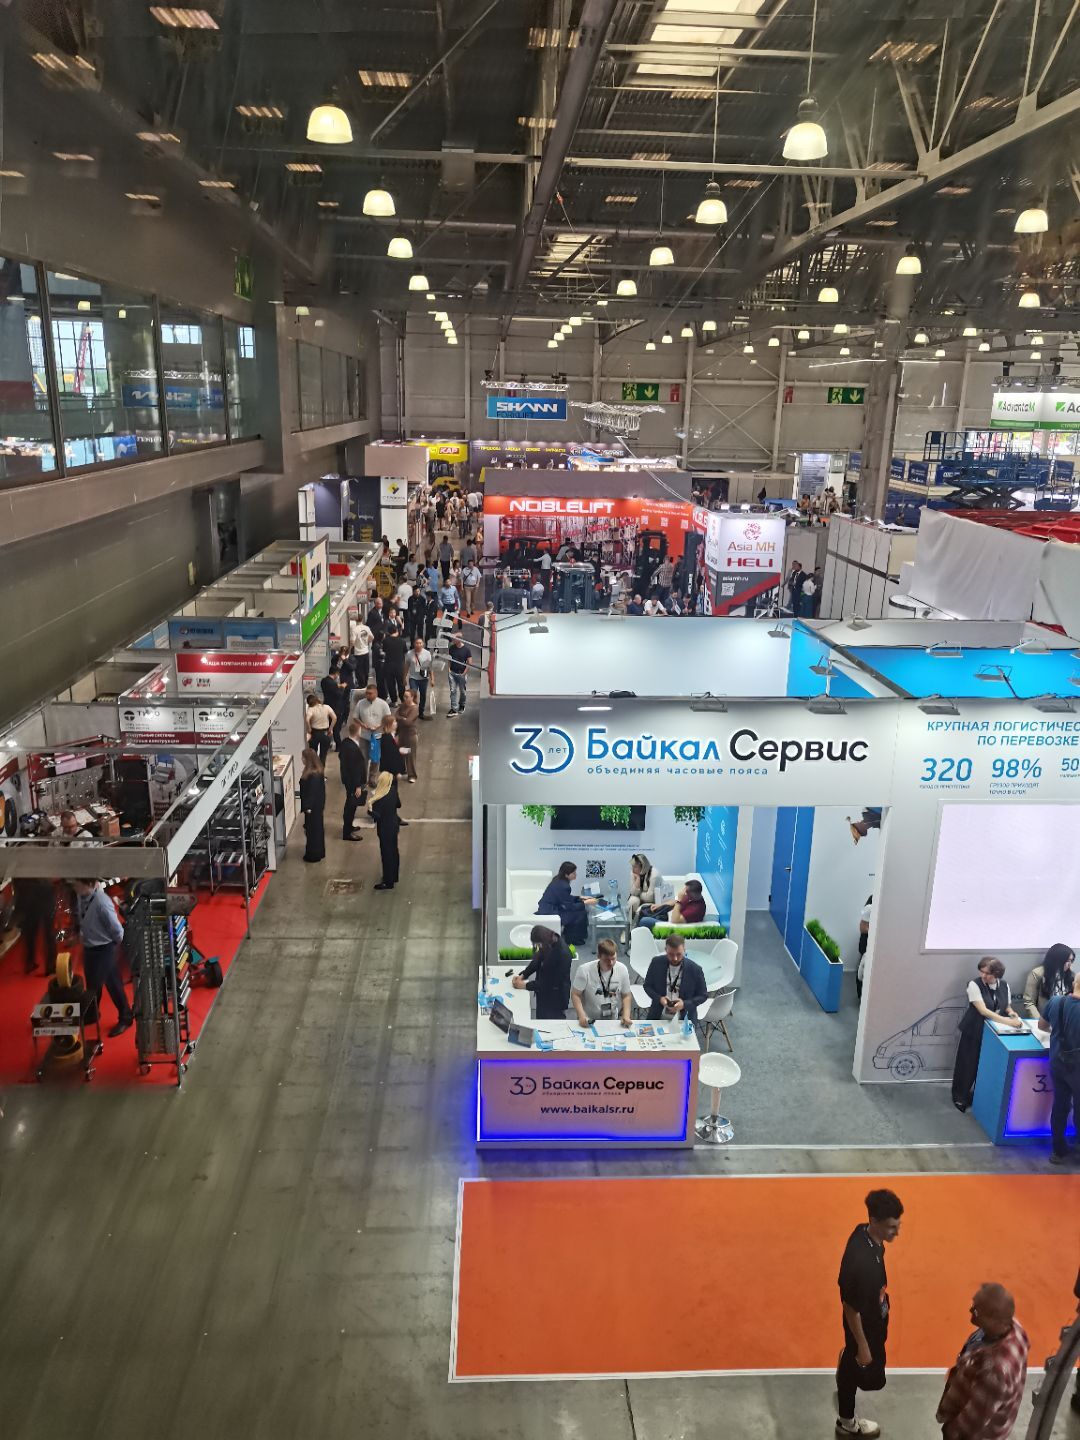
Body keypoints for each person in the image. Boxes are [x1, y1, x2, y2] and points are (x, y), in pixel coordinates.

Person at [836, 1188, 904, 1438]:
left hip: (874, 1321)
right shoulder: (860, 1261)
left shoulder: (867, 1235)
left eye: (898, 1225)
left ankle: (847, 1363)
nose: (896, 1232)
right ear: (874, 1221)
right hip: (863, 1328)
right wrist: (862, 1346)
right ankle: (846, 1421)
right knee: (871, 1379)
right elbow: (850, 1307)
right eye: (891, 1227)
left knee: (861, 1369)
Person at [935, 1284, 1029, 1440]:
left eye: (976, 1310)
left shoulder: (994, 1371)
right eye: (973, 1304)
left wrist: (950, 1430)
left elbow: (971, 1423)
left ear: (994, 1318)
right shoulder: (1012, 1327)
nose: (970, 1310)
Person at [952, 957, 1023, 1112]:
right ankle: (959, 1097)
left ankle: (979, 1097)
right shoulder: (974, 984)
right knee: (967, 1065)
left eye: (987, 973)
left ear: (997, 974)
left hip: (993, 1033)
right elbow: (983, 1010)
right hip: (974, 1030)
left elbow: (1006, 1006)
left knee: (986, 1066)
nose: (983, 975)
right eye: (981, 971)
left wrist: (1011, 1013)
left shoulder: (1004, 985)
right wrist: (1008, 1022)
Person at [71, 878, 134, 1037]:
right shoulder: (81, 895)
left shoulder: (102, 903)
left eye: (77, 884)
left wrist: (113, 947)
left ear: (89, 884)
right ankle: (93, 1013)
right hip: (89, 947)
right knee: (92, 985)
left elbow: (117, 931)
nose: (74, 887)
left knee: (114, 985)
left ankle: (126, 1017)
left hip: (104, 949)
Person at [1038, 970, 1080, 1164]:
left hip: (1058, 1062)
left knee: (1060, 1105)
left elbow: (1042, 1026)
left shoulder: (1056, 1001)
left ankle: (1058, 1150)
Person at [643, 932, 708, 1023]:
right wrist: (659, 999)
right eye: (671, 954)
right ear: (666, 950)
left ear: (684, 950)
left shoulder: (695, 969)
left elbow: (703, 995)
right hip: (658, 1014)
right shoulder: (656, 963)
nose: (675, 958)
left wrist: (684, 1004)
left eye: (679, 954)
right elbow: (647, 986)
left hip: (684, 1017)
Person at [512, 924, 573, 1020]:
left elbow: (548, 983)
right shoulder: (548, 943)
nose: (538, 947)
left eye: (539, 944)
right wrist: (523, 975)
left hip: (555, 998)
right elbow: (537, 960)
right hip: (543, 994)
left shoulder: (562, 955)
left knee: (550, 1024)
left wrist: (524, 985)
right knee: (540, 1018)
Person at [571, 938, 633, 1027]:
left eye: (613, 959)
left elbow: (626, 995)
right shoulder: (584, 970)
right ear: (599, 956)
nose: (611, 963)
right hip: (589, 1019)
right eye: (607, 960)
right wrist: (581, 1015)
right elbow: (575, 994)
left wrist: (626, 1015)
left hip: (612, 1019)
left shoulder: (622, 969)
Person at [536, 861, 597, 947]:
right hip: (550, 911)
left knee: (579, 909)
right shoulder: (564, 886)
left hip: (547, 907)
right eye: (573, 873)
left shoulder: (558, 880)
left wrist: (580, 898)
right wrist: (586, 902)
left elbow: (564, 898)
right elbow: (569, 906)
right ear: (566, 875)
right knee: (580, 913)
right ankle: (572, 939)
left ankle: (570, 935)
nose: (576, 875)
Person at [352, 681, 392, 790]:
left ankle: (372, 778)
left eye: (370, 693)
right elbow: (355, 717)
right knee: (363, 758)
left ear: (376, 693)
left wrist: (379, 726)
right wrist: (362, 725)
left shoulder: (383, 704)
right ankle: (363, 780)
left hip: (377, 736)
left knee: (375, 758)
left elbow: (388, 719)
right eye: (367, 693)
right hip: (364, 735)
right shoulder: (361, 703)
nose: (368, 695)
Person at [13, 877, 56, 975]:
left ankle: (30, 962)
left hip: (27, 892)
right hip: (43, 891)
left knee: (30, 931)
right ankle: (50, 966)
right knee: (48, 932)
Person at [1022, 942, 1075, 1019]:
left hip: (1067, 1019)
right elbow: (1029, 1002)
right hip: (1045, 1019)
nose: (1069, 964)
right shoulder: (1037, 974)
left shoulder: (1072, 976)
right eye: (1067, 961)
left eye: (1071, 961)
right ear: (1057, 960)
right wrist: (1039, 1021)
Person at [369, 770, 401, 892]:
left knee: (386, 854)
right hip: (394, 825)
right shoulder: (392, 791)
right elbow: (398, 804)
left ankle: (388, 881)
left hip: (385, 829)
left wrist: (370, 811)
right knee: (394, 851)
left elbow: (377, 816)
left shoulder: (380, 798)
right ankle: (394, 875)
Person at [338, 719, 366, 841]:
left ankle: (349, 826)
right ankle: (347, 833)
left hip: (348, 780)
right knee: (351, 806)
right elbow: (355, 769)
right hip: (352, 783)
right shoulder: (352, 749)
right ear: (358, 732)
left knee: (351, 805)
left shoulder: (346, 743)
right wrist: (357, 786)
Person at [641, 878, 707, 929]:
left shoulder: (696, 910)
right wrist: (660, 905)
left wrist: (679, 901)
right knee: (645, 908)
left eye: (686, 890)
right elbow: (675, 901)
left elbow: (674, 920)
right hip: (671, 916)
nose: (684, 892)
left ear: (693, 894)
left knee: (644, 921)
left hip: (672, 926)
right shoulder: (691, 897)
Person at [298, 746, 326, 863]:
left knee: (313, 831)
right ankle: (318, 851)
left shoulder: (312, 776)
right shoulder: (317, 772)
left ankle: (313, 854)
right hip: (316, 807)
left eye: (303, 758)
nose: (302, 759)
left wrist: (308, 807)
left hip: (312, 809)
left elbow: (311, 793)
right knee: (316, 830)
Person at [627, 852, 663, 928]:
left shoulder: (654, 875)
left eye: (635, 867)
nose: (632, 869)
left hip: (654, 902)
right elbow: (633, 892)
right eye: (632, 867)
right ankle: (629, 926)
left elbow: (650, 897)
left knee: (638, 903)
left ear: (643, 866)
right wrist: (638, 879)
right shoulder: (634, 873)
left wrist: (639, 893)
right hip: (642, 898)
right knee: (632, 901)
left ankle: (638, 927)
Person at [321, 663, 349, 749]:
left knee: (327, 726)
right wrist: (343, 687)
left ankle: (328, 743)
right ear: (336, 673)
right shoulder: (333, 684)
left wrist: (338, 686)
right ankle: (338, 745)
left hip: (326, 705)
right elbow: (339, 695)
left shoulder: (324, 681)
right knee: (336, 728)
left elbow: (332, 688)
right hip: (335, 708)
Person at [395, 691, 420, 784]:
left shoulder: (415, 708)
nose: (404, 698)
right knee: (401, 752)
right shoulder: (403, 705)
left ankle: (412, 775)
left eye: (407, 697)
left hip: (410, 735)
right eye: (404, 696)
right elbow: (395, 715)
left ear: (412, 697)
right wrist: (403, 718)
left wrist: (401, 718)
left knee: (410, 755)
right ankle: (402, 770)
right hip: (401, 733)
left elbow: (408, 722)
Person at [304, 692, 336, 764]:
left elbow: (307, 719)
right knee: (323, 754)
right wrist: (330, 729)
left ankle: (314, 768)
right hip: (325, 732)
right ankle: (321, 769)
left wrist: (309, 729)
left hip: (315, 732)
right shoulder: (326, 707)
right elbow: (334, 718)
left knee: (313, 753)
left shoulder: (311, 709)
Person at [381, 618, 407, 707]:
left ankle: (394, 701)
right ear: (397, 631)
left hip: (388, 665)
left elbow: (384, 650)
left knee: (391, 684)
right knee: (401, 683)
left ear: (389, 632)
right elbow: (405, 651)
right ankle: (402, 700)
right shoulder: (402, 641)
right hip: (400, 665)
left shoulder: (385, 641)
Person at [407, 636, 433, 719]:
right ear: (414, 644)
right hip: (413, 678)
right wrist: (404, 678)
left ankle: (421, 713)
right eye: (417, 643)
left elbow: (430, 667)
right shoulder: (409, 653)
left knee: (423, 695)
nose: (418, 645)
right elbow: (406, 666)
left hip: (423, 678)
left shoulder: (427, 653)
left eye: (420, 643)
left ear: (423, 644)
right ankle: (412, 712)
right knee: (413, 694)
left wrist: (432, 679)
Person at [447, 630, 471, 717]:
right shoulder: (451, 648)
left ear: (459, 639)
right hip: (452, 673)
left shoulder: (466, 650)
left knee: (462, 691)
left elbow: (469, 662)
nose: (453, 640)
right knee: (453, 690)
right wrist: (449, 669)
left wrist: (464, 673)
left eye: (454, 638)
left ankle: (462, 705)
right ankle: (454, 708)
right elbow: (449, 659)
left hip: (461, 674)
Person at [349, 613, 374, 690]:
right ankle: (365, 684)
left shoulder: (355, 630)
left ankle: (361, 685)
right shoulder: (366, 628)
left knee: (359, 670)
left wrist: (349, 650)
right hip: (366, 651)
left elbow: (352, 642)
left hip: (358, 652)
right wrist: (367, 642)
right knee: (366, 669)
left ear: (355, 620)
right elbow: (372, 637)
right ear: (362, 619)